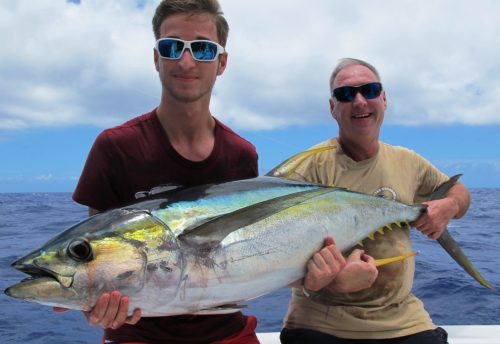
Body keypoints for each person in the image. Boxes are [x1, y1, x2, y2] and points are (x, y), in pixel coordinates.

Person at [55, 2, 376, 343]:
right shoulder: (115, 147)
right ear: (155, 58)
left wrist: (312, 278)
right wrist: (95, 303)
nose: (186, 61)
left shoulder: (240, 153)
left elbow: (254, 255)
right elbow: (98, 248)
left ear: (222, 62)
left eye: (204, 49)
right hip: (137, 336)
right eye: (172, 47)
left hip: (228, 331)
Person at [280, 58, 471, 344]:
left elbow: (461, 193)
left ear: (383, 98)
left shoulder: (408, 161)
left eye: (369, 90)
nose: (359, 101)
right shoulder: (306, 168)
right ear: (333, 108)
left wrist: (449, 206)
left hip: (402, 320)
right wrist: (332, 282)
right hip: (320, 322)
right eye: (345, 94)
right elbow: (272, 260)